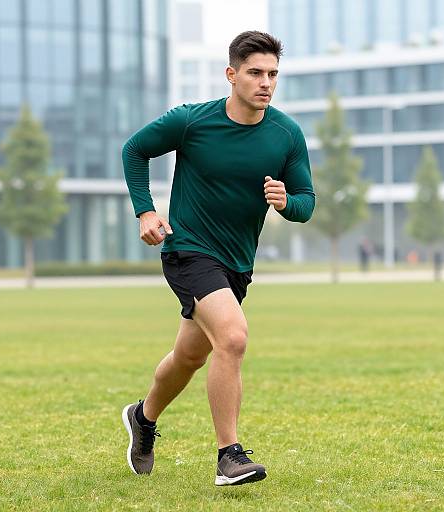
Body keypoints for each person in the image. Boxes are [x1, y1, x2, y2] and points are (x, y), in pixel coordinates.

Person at [121, 31, 315, 486]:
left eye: (272, 74)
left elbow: (307, 202)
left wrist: (287, 201)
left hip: (236, 266)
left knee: (189, 357)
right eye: (255, 73)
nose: (266, 82)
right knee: (233, 337)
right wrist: (146, 210)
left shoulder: (286, 134)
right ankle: (229, 456)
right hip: (187, 249)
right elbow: (134, 149)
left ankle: (143, 418)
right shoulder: (191, 121)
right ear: (232, 75)